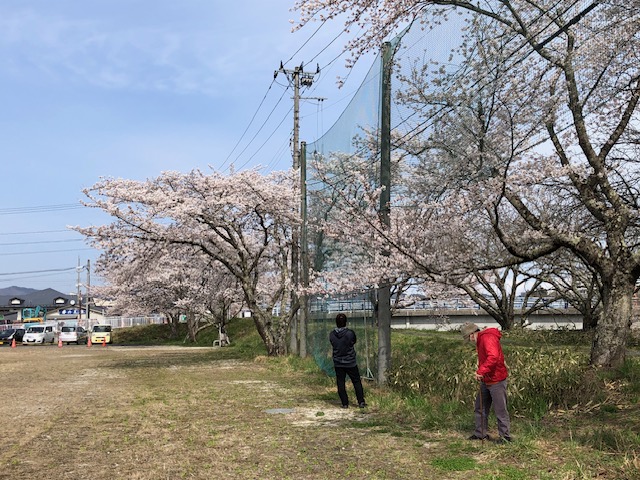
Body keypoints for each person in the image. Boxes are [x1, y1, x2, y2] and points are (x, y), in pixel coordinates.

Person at [460, 322, 512, 444]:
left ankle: (505, 437)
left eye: (469, 338)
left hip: (496, 379)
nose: (470, 341)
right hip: (486, 379)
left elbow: (493, 357)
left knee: (500, 409)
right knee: (480, 407)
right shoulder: (481, 339)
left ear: (472, 334)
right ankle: (480, 434)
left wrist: (481, 371)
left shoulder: (487, 338)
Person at [329, 313, 366, 409]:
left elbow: (333, 344)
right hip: (350, 362)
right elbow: (353, 342)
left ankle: (345, 403)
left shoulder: (332, 334)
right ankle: (361, 402)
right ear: (346, 322)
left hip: (338, 362)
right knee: (356, 381)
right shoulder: (350, 333)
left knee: (340, 382)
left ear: (336, 323)